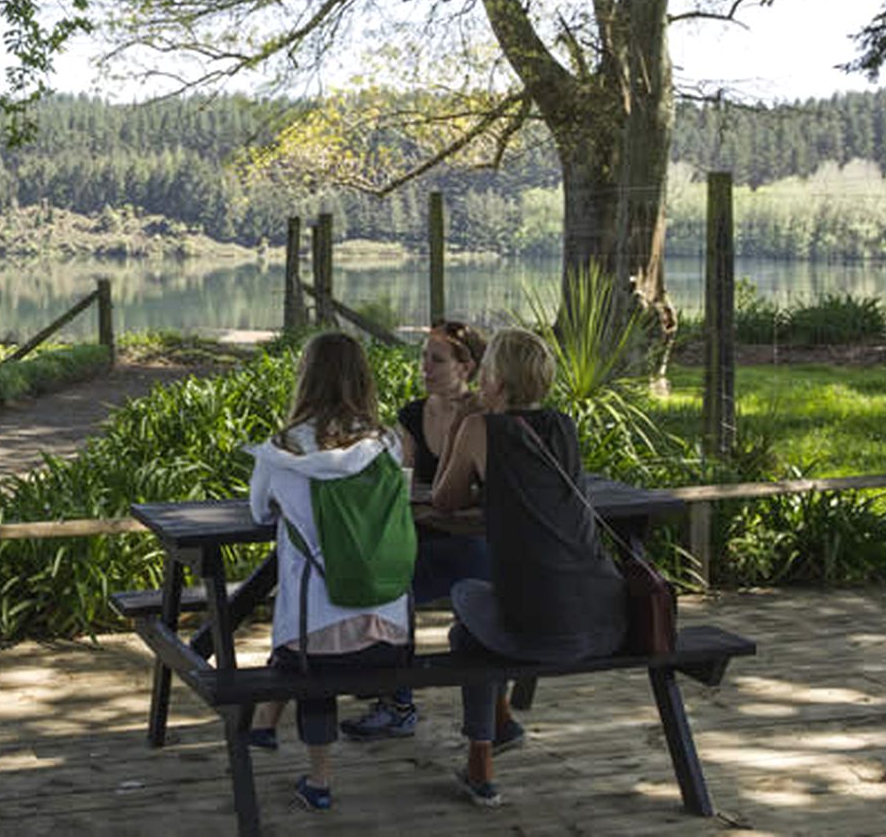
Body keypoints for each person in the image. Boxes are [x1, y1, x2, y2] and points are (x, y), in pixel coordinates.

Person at [431, 327, 627, 807]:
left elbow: (444, 500)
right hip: (606, 618)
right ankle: (500, 725)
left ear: (496, 381)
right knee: (488, 613)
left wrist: (458, 429)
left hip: (543, 630)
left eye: (485, 373)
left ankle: (482, 762)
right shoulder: (564, 426)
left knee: (466, 612)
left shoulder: (481, 429)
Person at [244, 331, 412, 812]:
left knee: (309, 652)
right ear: (362, 380)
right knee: (316, 642)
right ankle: (264, 727)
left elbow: (258, 510)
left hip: (313, 641)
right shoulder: (387, 445)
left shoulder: (281, 450)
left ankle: (319, 781)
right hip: (390, 636)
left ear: (305, 379)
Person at [342, 319, 490, 741]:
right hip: (423, 538)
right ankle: (395, 697)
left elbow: (485, 495)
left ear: (466, 367)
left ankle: (401, 702)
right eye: (423, 357)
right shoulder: (412, 414)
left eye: (436, 360)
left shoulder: (483, 418)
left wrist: (440, 505)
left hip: (475, 545)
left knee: (398, 582)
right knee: (382, 576)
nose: (424, 367)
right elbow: (404, 485)